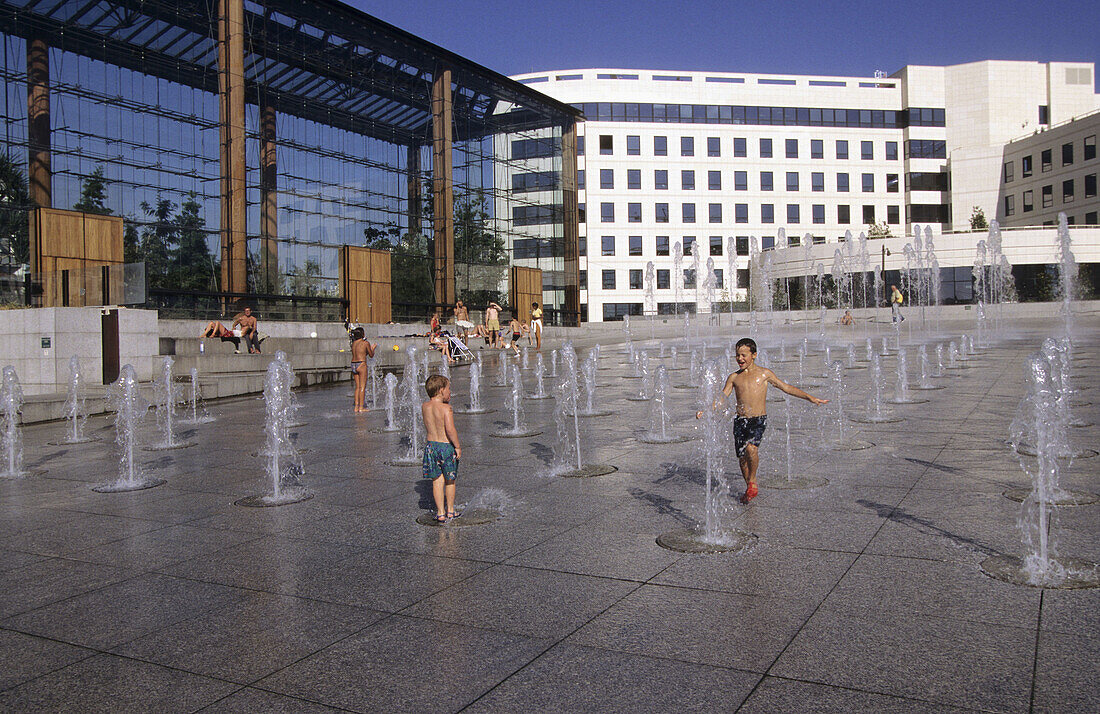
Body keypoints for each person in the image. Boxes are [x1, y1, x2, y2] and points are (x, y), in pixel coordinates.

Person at [697, 337, 828, 504]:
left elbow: (786, 387)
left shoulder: (765, 374)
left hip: (758, 419)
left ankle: (752, 481)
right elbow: (722, 398)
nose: (740, 359)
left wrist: (810, 398)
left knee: (752, 449)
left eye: (744, 355)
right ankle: (749, 487)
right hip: (740, 421)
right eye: (737, 355)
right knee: (742, 459)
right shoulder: (734, 378)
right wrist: (707, 410)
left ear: (754, 355)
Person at [422, 374, 461, 521]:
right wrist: (457, 446)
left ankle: (440, 513)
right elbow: (450, 430)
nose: (450, 392)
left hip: (431, 447)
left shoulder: (425, 406)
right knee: (450, 480)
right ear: (440, 390)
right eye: (448, 389)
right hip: (445, 447)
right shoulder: (446, 408)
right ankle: (450, 510)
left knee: (437, 480)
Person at [349, 327, 378, 413]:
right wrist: (373, 348)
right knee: (362, 387)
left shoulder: (354, 343)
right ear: (363, 334)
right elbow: (371, 355)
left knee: (357, 387)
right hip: (361, 364)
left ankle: (356, 407)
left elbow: (360, 353)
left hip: (353, 364)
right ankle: (361, 407)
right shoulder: (365, 343)